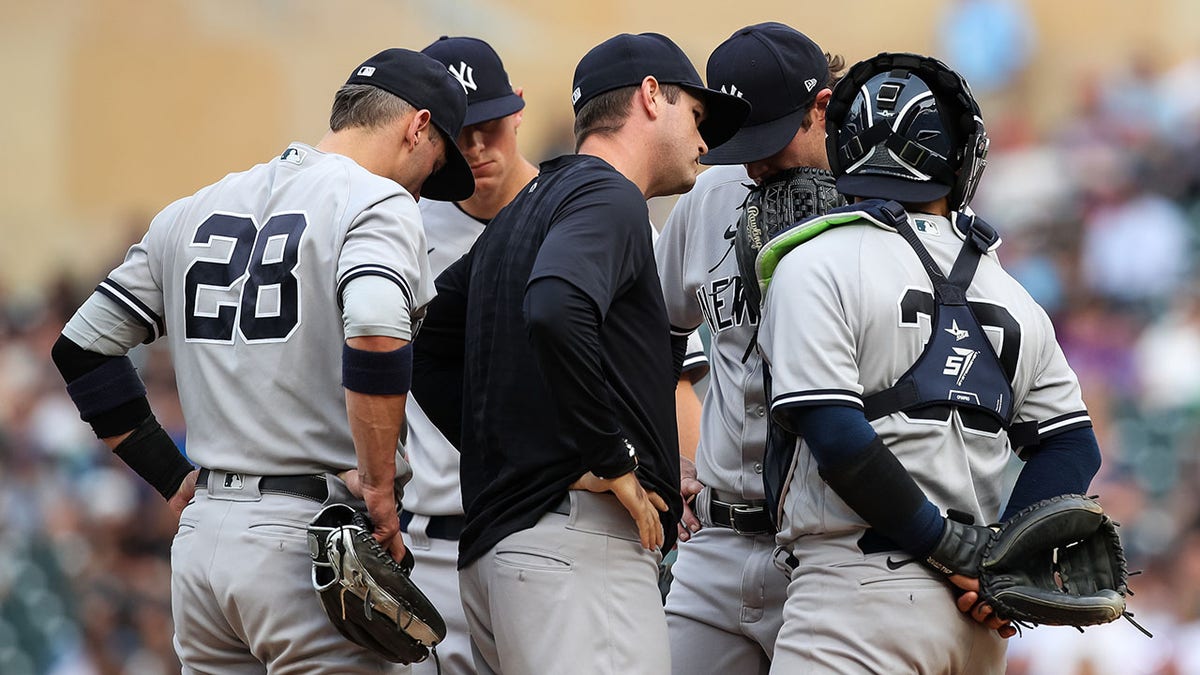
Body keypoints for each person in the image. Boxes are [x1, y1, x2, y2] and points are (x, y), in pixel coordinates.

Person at [50, 48, 474, 673]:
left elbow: (81, 349)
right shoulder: (377, 204)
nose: (421, 189)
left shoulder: (194, 208)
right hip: (310, 547)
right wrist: (382, 490)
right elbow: (378, 333)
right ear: (417, 126)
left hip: (202, 552)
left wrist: (171, 476)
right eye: (431, 165)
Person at [412, 32, 748, 674]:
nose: (703, 143)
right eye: (696, 116)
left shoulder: (526, 208)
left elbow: (426, 341)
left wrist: (523, 453)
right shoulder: (608, 194)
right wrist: (607, 454)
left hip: (505, 553)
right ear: (653, 97)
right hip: (574, 550)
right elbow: (555, 306)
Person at [756, 52, 1102, 673]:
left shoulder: (813, 263)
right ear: (960, 159)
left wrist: (949, 547)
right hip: (976, 622)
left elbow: (837, 434)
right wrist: (1002, 564)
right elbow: (1074, 445)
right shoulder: (1014, 293)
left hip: (856, 599)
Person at [653, 22, 841, 674]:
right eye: (741, 141)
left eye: (771, 140)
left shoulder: (879, 200)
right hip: (718, 541)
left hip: (835, 547)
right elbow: (652, 325)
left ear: (822, 108)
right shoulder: (712, 192)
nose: (756, 162)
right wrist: (660, 452)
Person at [402, 35, 539, 675]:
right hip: (426, 543)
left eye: (490, 127)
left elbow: (671, 371)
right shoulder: (397, 228)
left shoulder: (586, 215)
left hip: (547, 533)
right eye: (461, 135)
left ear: (518, 115)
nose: (478, 149)